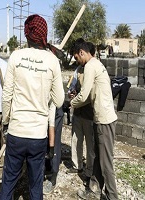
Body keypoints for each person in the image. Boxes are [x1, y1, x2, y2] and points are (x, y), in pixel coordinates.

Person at [0, 14, 64, 200]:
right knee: (35, 186)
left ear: (27, 35)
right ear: (44, 34)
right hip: (38, 136)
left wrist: (6, 121)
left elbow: (7, 96)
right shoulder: (52, 61)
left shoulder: (16, 56)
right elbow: (59, 101)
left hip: (16, 131)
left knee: (8, 182)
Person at [70, 40, 118, 199]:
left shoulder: (90, 66)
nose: (78, 62)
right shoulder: (97, 64)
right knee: (97, 157)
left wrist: (70, 103)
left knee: (106, 164)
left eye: (77, 58)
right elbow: (91, 95)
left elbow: (84, 95)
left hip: (104, 120)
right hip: (102, 118)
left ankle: (112, 196)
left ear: (82, 53)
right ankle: (94, 189)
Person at [66, 40, 95, 190]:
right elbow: (72, 86)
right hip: (78, 112)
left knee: (90, 146)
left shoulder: (93, 69)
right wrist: (72, 92)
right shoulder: (78, 70)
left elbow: (89, 95)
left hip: (90, 114)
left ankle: (89, 172)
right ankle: (77, 165)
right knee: (76, 140)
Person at [43, 104, 64, 194]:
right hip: (43, 107)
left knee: (54, 141)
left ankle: (53, 176)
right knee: (44, 138)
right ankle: (47, 166)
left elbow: (59, 97)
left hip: (54, 109)